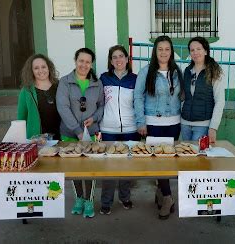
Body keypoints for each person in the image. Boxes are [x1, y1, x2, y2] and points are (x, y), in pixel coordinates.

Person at [134, 35, 183, 220]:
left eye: (167, 49)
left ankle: (161, 192)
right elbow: (138, 97)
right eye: (160, 49)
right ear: (155, 51)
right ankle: (168, 198)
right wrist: (141, 122)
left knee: (168, 161)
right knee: (158, 161)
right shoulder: (146, 72)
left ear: (171, 52)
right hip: (153, 123)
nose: (164, 52)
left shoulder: (177, 72)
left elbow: (181, 97)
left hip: (174, 124)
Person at [56, 48, 104, 218]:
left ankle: (90, 201)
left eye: (88, 62)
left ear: (92, 64)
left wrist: (95, 118)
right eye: (81, 61)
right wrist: (77, 130)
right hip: (69, 133)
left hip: (91, 133)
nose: (84, 65)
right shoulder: (64, 82)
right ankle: (79, 199)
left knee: (90, 169)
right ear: (75, 61)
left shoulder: (97, 83)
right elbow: (63, 107)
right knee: (74, 168)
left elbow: (101, 106)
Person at [99, 45, 140, 215]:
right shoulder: (103, 78)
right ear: (110, 61)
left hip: (131, 128)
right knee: (109, 166)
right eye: (114, 57)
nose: (118, 60)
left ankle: (125, 198)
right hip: (108, 128)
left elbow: (139, 102)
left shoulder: (135, 79)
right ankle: (106, 202)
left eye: (121, 56)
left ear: (127, 59)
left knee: (127, 166)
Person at [181, 36, 225, 144]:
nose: (195, 52)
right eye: (192, 50)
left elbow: (220, 101)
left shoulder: (214, 72)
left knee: (198, 159)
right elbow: (182, 97)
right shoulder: (187, 71)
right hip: (184, 124)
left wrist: (213, 127)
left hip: (203, 126)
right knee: (185, 157)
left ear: (205, 51)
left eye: (199, 49)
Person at [17, 54, 61, 140]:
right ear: (31, 71)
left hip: (60, 136)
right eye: (36, 68)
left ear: (49, 67)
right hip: (37, 140)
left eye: (43, 67)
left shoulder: (60, 86)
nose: (40, 70)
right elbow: (21, 119)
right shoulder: (26, 91)